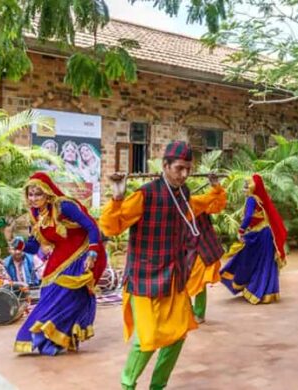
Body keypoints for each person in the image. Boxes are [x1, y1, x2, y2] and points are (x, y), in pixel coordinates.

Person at [99, 140, 226, 390]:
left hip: (174, 278)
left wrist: (216, 187)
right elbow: (112, 227)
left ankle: (157, 386)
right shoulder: (145, 195)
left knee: (178, 335)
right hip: (144, 278)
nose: (185, 174)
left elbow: (211, 205)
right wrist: (117, 197)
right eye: (179, 168)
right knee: (147, 339)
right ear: (165, 166)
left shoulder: (185, 195)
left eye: (188, 168)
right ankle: (127, 385)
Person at [14, 172, 107, 356]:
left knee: (67, 296)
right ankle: (52, 340)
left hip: (83, 252)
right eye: (30, 194)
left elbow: (91, 226)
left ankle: (45, 338)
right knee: (49, 295)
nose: (33, 199)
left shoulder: (63, 206)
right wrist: (18, 243)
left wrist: (93, 253)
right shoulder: (36, 215)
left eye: (37, 194)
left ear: (48, 193)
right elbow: (34, 246)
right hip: (60, 258)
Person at [220, 174, 287, 304]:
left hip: (260, 235)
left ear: (252, 187)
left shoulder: (252, 199)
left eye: (246, 187)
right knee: (265, 262)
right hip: (267, 234)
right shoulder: (261, 199)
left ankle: (256, 290)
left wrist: (241, 230)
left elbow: (248, 217)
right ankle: (267, 292)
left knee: (247, 258)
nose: (244, 190)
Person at [186, 193, 227, 323]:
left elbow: (218, 205)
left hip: (202, 249)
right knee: (183, 284)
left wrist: (217, 188)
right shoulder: (174, 207)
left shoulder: (198, 203)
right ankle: (190, 312)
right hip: (187, 250)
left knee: (199, 282)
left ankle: (197, 313)